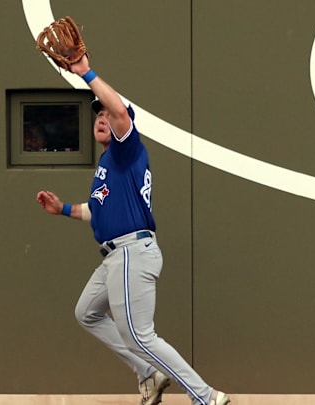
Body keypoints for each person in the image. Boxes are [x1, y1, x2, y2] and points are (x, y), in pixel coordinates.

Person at [36, 54, 230, 405]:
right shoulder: (109, 164)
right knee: (87, 313)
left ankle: (206, 397)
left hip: (130, 252)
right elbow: (97, 212)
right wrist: (63, 209)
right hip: (117, 256)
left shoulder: (127, 150)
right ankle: (149, 374)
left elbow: (122, 113)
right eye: (98, 114)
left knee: (141, 336)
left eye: (106, 114)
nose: (102, 118)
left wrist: (85, 73)